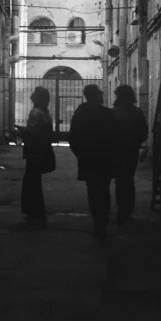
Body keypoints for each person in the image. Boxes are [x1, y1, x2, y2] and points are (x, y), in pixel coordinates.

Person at [69, 84, 116, 239]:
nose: (102, 96)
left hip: (88, 160)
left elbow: (73, 138)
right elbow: (116, 137)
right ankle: (102, 224)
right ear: (94, 95)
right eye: (99, 93)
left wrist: (81, 155)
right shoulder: (107, 114)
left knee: (94, 193)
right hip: (104, 159)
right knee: (104, 192)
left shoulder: (80, 112)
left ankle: (98, 224)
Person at [112, 84, 148, 226]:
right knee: (128, 181)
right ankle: (127, 212)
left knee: (120, 182)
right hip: (131, 151)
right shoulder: (137, 112)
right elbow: (143, 132)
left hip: (116, 152)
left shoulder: (113, 112)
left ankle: (122, 213)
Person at [21, 86, 55, 226]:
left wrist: (21, 133)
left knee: (31, 184)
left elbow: (33, 133)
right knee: (35, 183)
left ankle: (33, 213)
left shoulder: (35, 113)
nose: (31, 97)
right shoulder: (45, 113)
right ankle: (38, 213)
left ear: (39, 98)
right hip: (43, 151)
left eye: (34, 95)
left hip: (34, 152)